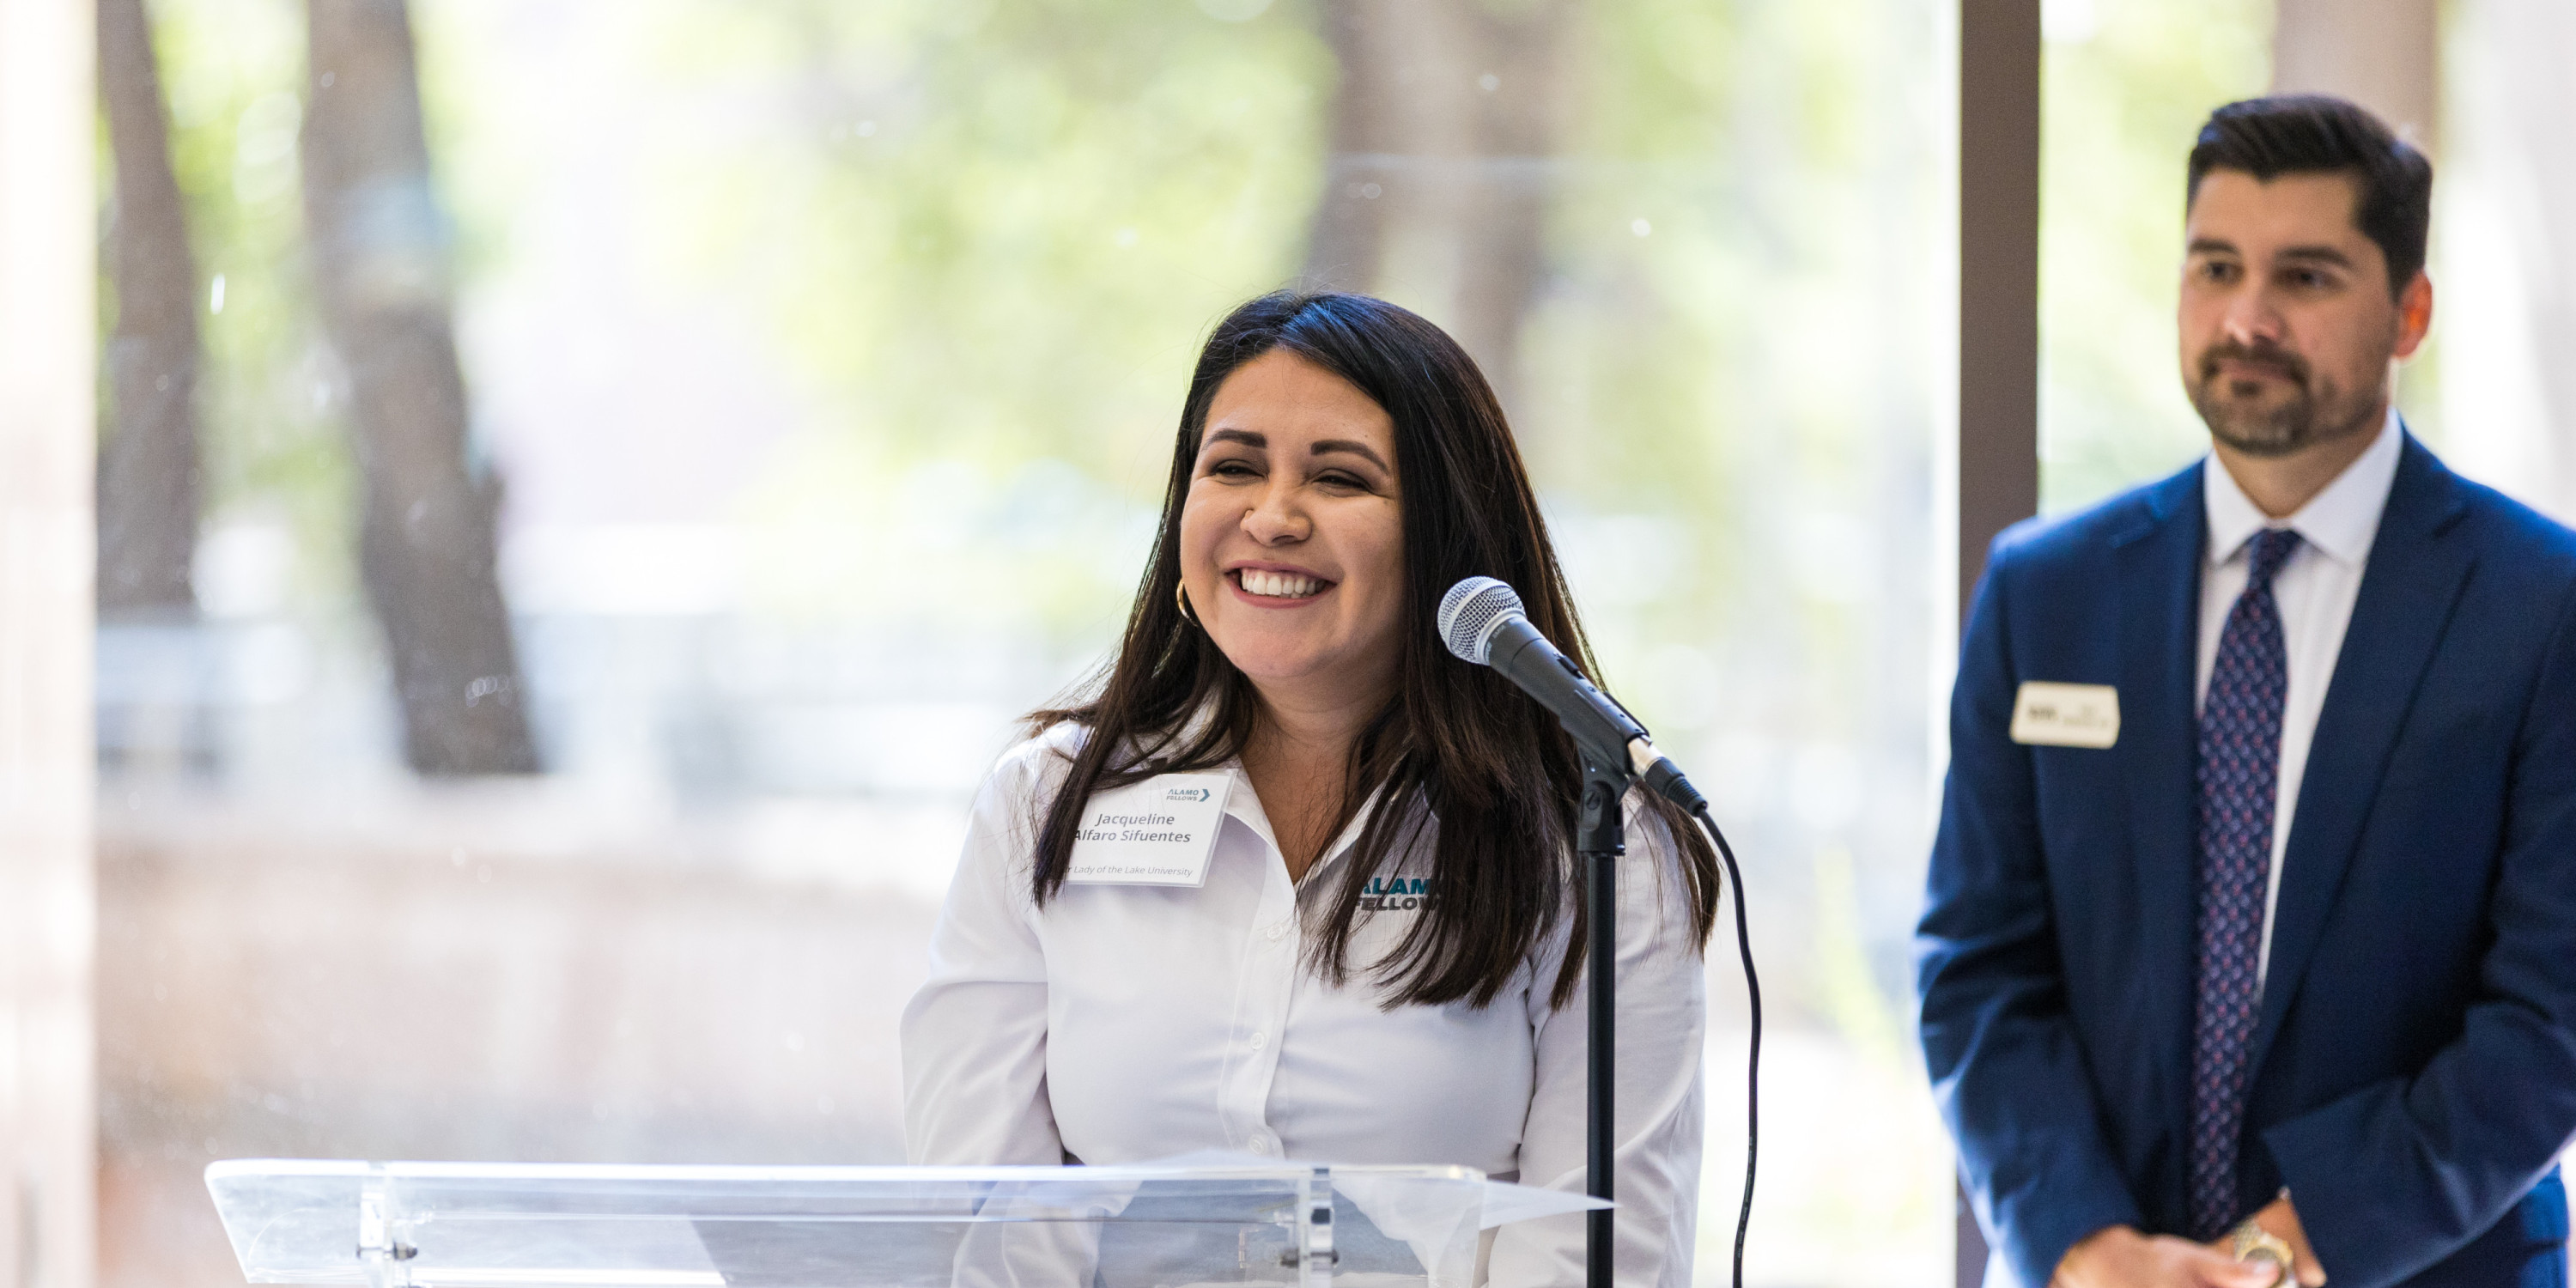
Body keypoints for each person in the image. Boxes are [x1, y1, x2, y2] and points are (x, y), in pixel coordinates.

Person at [901, 290, 1724, 1287]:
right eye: (1234, 467)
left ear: (1446, 542)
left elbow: (1600, 1252)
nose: (1273, 516)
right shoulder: (1044, 804)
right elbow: (981, 1226)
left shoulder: (1594, 842)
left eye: (1340, 479)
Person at [1918, 94, 2576, 1288]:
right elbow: (1979, 967)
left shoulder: (2543, 605)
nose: (2248, 317)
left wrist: (2281, 1251)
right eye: (2215, 266)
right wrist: (2085, 1241)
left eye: (2308, 276)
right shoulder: (2044, 592)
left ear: (2410, 312)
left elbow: (2551, 1016)